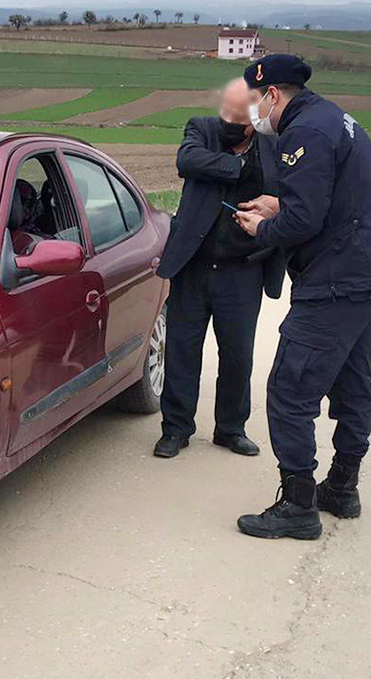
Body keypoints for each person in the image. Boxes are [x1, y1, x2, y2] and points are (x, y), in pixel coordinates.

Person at [233, 54, 371, 540]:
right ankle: (342, 487)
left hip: (337, 279)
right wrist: (281, 203)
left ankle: (297, 505)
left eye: (254, 100)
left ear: (272, 94)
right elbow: (322, 200)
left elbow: (304, 221)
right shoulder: (333, 118)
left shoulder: (304, 132)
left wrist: (263, 225)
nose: (252, 112)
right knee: (352, 383)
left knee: (290, 392)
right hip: (369, 273)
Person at [152, 78, 285, 459]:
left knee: (238, 354)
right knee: (182, 349)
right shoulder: (201, 130)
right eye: (227, 109)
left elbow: (288, 193)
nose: (229, 118)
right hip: (193, 266)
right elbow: (188, 160)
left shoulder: (273, 145)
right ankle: (176, 429)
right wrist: (238, 166)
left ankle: (230, 429)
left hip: (243, 268)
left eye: (239, 113)